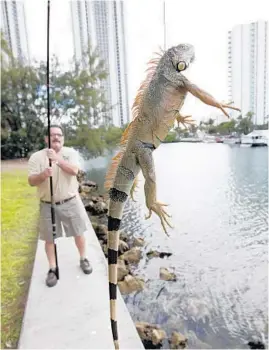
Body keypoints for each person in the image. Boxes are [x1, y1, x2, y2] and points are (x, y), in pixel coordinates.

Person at [28, 125, 92, 287]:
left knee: (78, 232)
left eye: (59, 135)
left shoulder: (70, 153)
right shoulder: (36, 157)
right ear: (46, 139)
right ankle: (52, 268)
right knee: (49, 239)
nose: (56, 137)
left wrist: (57, 159)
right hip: (46, 205)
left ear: (63, 138)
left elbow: (74, 171)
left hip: (70, 201)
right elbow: (31, 181)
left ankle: (83, 258)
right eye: (52, 135)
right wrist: (43, 175)